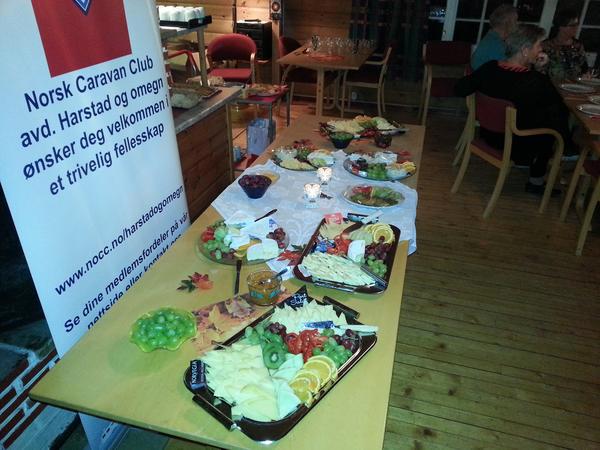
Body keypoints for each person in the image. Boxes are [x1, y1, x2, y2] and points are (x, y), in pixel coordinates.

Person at [455, 25, 574, 195]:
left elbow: (459, 89)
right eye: (538, 46)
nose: (541, 50)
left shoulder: (490, 67)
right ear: (525, 50)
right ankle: (537, 180)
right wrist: (540, 72)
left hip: (488, 136)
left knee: (544, 116)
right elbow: (559, 109)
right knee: (552, 127)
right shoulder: (535, 81)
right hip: (516, 145)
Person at [540, 8, 588, 81]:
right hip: (551, 84)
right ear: (561, 26)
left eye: (577, 24)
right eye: (572, 25)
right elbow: (540, 70)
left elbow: (584, 68)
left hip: (575, 84)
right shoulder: (546, 45)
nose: (576, 28)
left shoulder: (578, 45)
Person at [471, 4, 518, 70]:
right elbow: (508, 69)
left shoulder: (491, 37)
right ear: (508, 23)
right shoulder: (496, 44)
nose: (517, 24)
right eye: (515, 21)